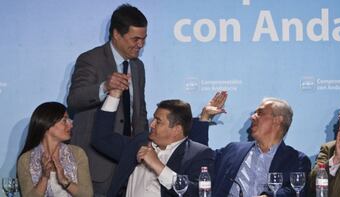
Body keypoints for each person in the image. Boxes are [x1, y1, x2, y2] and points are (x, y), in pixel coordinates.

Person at [67, 4, 149, 195]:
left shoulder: (138, 66)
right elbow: (74, 100)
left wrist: (143, 147)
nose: (140, 45)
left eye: (144, 39)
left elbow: (139, 111)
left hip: (130, 160)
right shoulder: (90, 59)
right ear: (116, 34)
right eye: (135, 39)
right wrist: (104, 87)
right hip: (97, 161)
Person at [90, 89, 219, 197]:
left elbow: (198, 193)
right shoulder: (139, 143)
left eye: (158, 121)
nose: (151, 124)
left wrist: (158, 166)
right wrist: (114, 95)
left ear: (177, 129)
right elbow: (102, 139)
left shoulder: (197, 155)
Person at [200, 92, 311, 197]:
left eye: (260, 113)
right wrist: (204, 117)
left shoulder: (296, 160)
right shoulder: (233, 150)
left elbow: (294, 191)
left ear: (277, 120)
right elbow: (200, 158)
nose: (252, 117)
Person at [17, 102, 93, 197]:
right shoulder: (25, 159)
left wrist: (64, 181)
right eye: (64, 120)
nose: (71, 125)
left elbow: (88, 195)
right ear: (47, 124)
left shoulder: (77, 153)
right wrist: (44, 178)